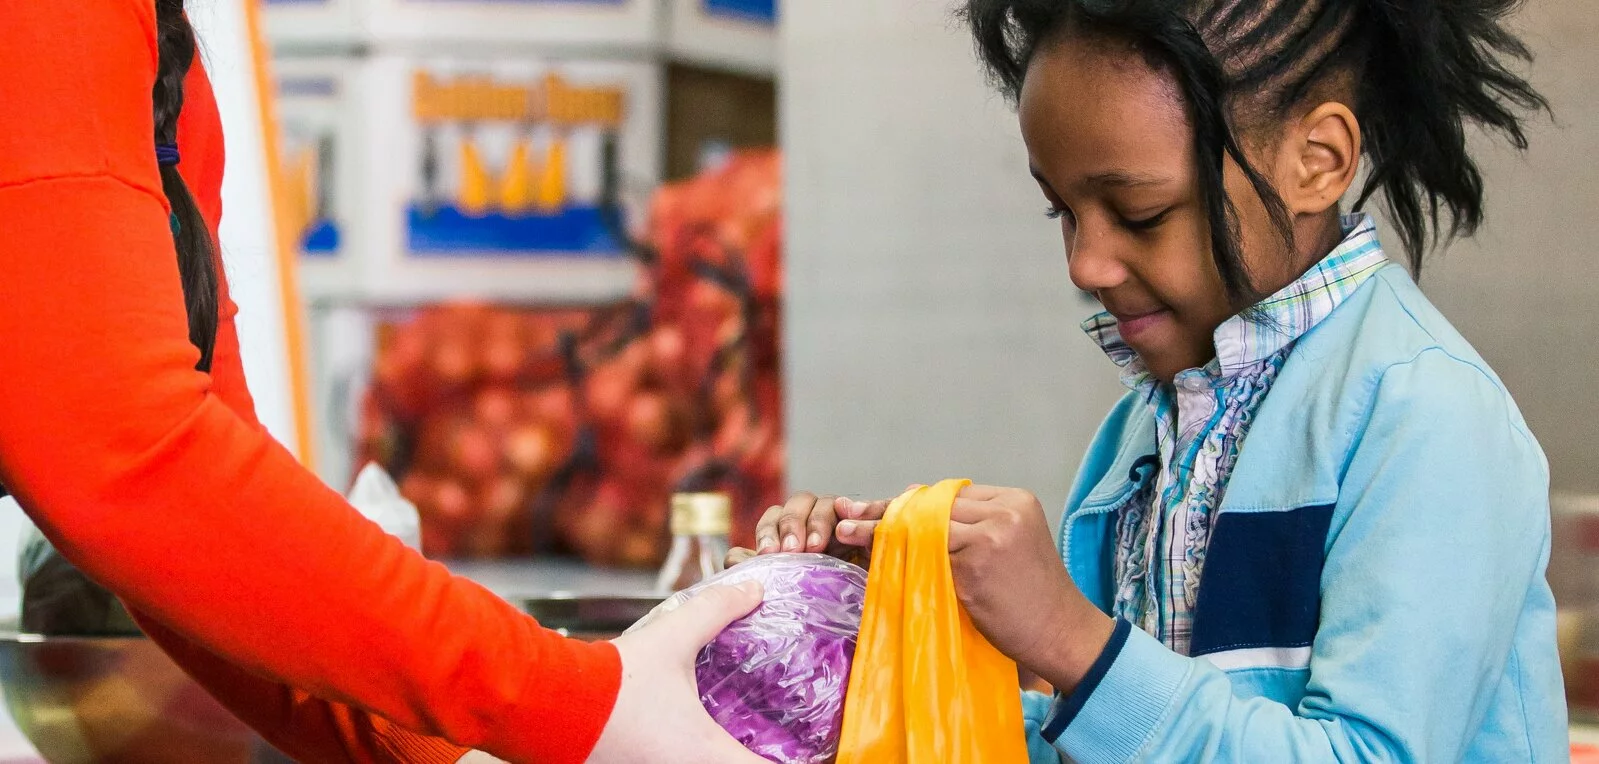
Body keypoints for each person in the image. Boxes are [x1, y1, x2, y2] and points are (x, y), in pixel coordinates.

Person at [735, 0, 1569, 760]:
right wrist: (856, 649)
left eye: (1140, 215)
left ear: (1316, 161)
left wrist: (1073, 641)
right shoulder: (1144, 432)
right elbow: (1106, 738)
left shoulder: (1426, 416)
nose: (1085, 263)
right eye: (1062, 212)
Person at [0, 2, 767, 762]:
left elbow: (212, 545)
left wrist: (458, 755)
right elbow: (131, 458)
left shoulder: (164, 72)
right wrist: (582, 702)